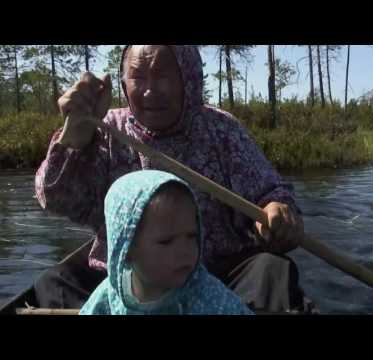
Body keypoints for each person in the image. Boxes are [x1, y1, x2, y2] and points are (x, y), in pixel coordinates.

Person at [35, 45, 310, 313]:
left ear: (189, 78)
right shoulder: (107, 128)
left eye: (162, 75)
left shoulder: (221, 129)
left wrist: (276, 211)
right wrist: (75, 137)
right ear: (123, 81)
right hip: (129, 278)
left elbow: (269, 192)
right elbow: (56, 200)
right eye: (138, 76)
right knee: (55, 283)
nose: (149, 90)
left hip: (217, 275)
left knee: (273, 271)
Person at [80, 170, 253, 315]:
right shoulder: (110, 296)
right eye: (166, 241)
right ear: (127, 249)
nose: (184, 251)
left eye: (192, 236)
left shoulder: (211, 298)